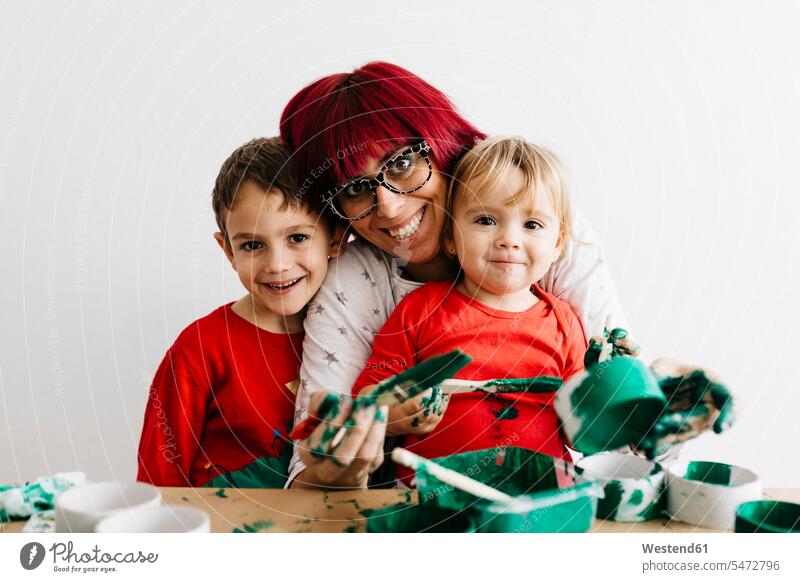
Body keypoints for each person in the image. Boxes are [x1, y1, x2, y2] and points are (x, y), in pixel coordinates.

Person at [279, 62, 628, 489]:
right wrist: (351, 448)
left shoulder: (548, 232)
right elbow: (315, 466)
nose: (387, 207)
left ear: (443, 144)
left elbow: (619, 426)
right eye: (354, 188)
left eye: (402, 163)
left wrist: (659, 409)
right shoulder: (367, 288)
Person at [351, 137, 587, 484]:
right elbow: (366, 399)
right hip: (431, 498)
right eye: (486, 220)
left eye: (532, 225)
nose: (509, 239)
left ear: (558, 246)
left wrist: (611, 384)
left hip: (537, 499)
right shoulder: (419, 310)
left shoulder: (563, 322)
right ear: (450, 237)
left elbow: (584, 429)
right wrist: (398, 409)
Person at [136, 137, 346, 487]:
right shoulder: (199, 350)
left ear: (336, 238)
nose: (277, 265)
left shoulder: (358, 335)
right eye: (252, 245)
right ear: (228, 251)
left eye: (297, 238)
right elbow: (157, 486)